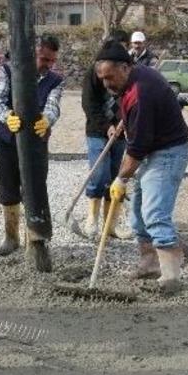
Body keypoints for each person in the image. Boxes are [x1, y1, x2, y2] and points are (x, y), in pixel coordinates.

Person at [95, 42, 188, 293]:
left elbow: (137, 149)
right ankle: (150, 265)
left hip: (168, 152)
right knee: (138, 216)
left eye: (110, 78)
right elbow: (139, 124)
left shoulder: (141, 92)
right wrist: (125, 123)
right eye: (102, 79)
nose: (106, 84)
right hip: (154, 149)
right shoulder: (134, 78)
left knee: (155, 214)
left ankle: (171, 278)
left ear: (125, 68)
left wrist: (121, 179)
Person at [0, 33, 63, 256]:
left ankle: (34, 239)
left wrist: (46, 120)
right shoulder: (8, 70)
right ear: (33, 54)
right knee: (8, 189)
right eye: (43, 59)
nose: (46, 65)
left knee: (35, 187)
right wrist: (7, 116)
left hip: (36, 143)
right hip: (7, 140)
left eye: (51, 60)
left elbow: (53, 106)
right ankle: (11, 238)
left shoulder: (55, 80)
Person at [79, 32, 130, 239]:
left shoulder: (128, 72)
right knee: (99, 174)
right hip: (97, 131)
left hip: (121, 131)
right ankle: (92, 220)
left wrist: (122, 122)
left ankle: (111, 225)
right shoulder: (94, 73)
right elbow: (89, 104)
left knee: (114, 177)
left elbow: (129, 100)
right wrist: (106, 126)